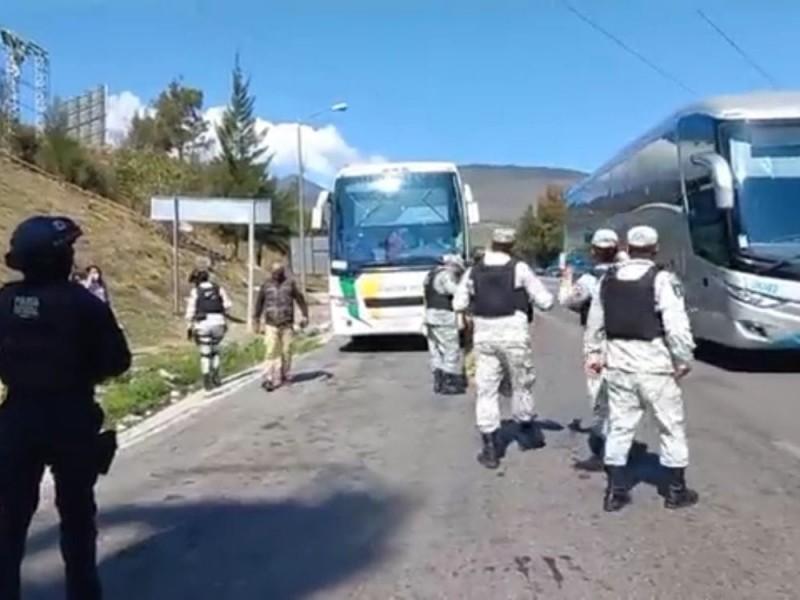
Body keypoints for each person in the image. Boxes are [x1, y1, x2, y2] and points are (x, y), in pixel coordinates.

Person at [0, 215, 131, 600]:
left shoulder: (4, 301)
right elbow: (117, 361)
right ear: (58, 257)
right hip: (70, 418)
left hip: (17, 417)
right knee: (76, 516)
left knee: (9, 520)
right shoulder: (84, 304)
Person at [584, 224, 699, 512]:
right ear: (656, 248)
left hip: (619, 365)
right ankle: (675, 490)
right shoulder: (662, 280)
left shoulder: (607, 280)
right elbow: (676, 326)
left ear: (627, 247)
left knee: (620, 426)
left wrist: (594, 354)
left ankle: (615, 491)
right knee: (670, 427)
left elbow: (594, 325)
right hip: (654, 365)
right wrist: (683, 358)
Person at [453, 228, 554, 469]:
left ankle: (490, 446)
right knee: (522, 383)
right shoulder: (519, 268)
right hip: (514, 336)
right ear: (511, 246)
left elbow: (458, 303)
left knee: (486, 389)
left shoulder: (473, 271)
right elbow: (546, 302)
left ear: (492, 243)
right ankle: (526, 431)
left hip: (485, 337)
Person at [558, 228, 620, 470]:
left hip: (597, 347)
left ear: (593, 251)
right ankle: (619, 447)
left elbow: (566, 300)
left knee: (599, 397)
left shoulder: (589, 280)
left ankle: (605, 451)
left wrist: (566, 279)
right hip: (626, 343)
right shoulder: (627, 273)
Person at [253, 262, 309, 391]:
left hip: (287, 322)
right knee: (271, 350)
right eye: (275, 272)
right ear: (271, 273)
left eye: (279, 272)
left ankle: (284, 374)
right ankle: (268, 377)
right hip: (271, 323)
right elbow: (259, 303)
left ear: (283, 272)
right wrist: (256, 319)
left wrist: (305, 315)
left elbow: (300, 299)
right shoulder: (266, 285)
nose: (277, 275)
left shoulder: (290, 284)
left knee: (286, 350)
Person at [423, 253, 467, 394]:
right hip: (444, 317)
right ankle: (449, 381)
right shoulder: (445, 276)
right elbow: (455, 292)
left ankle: (439, 379)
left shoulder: (430, 275)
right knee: (451, 348)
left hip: (430, 316)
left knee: (436, 350)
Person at [186, 267, 232, 391]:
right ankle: (216, 376)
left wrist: (189, 327)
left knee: (205, 353)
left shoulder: (196, 291)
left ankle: (206, 379)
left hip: (202, 324)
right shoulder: (218, 289)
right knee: (215, 350)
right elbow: (227, 305)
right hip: (219, 323)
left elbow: (190, 311)